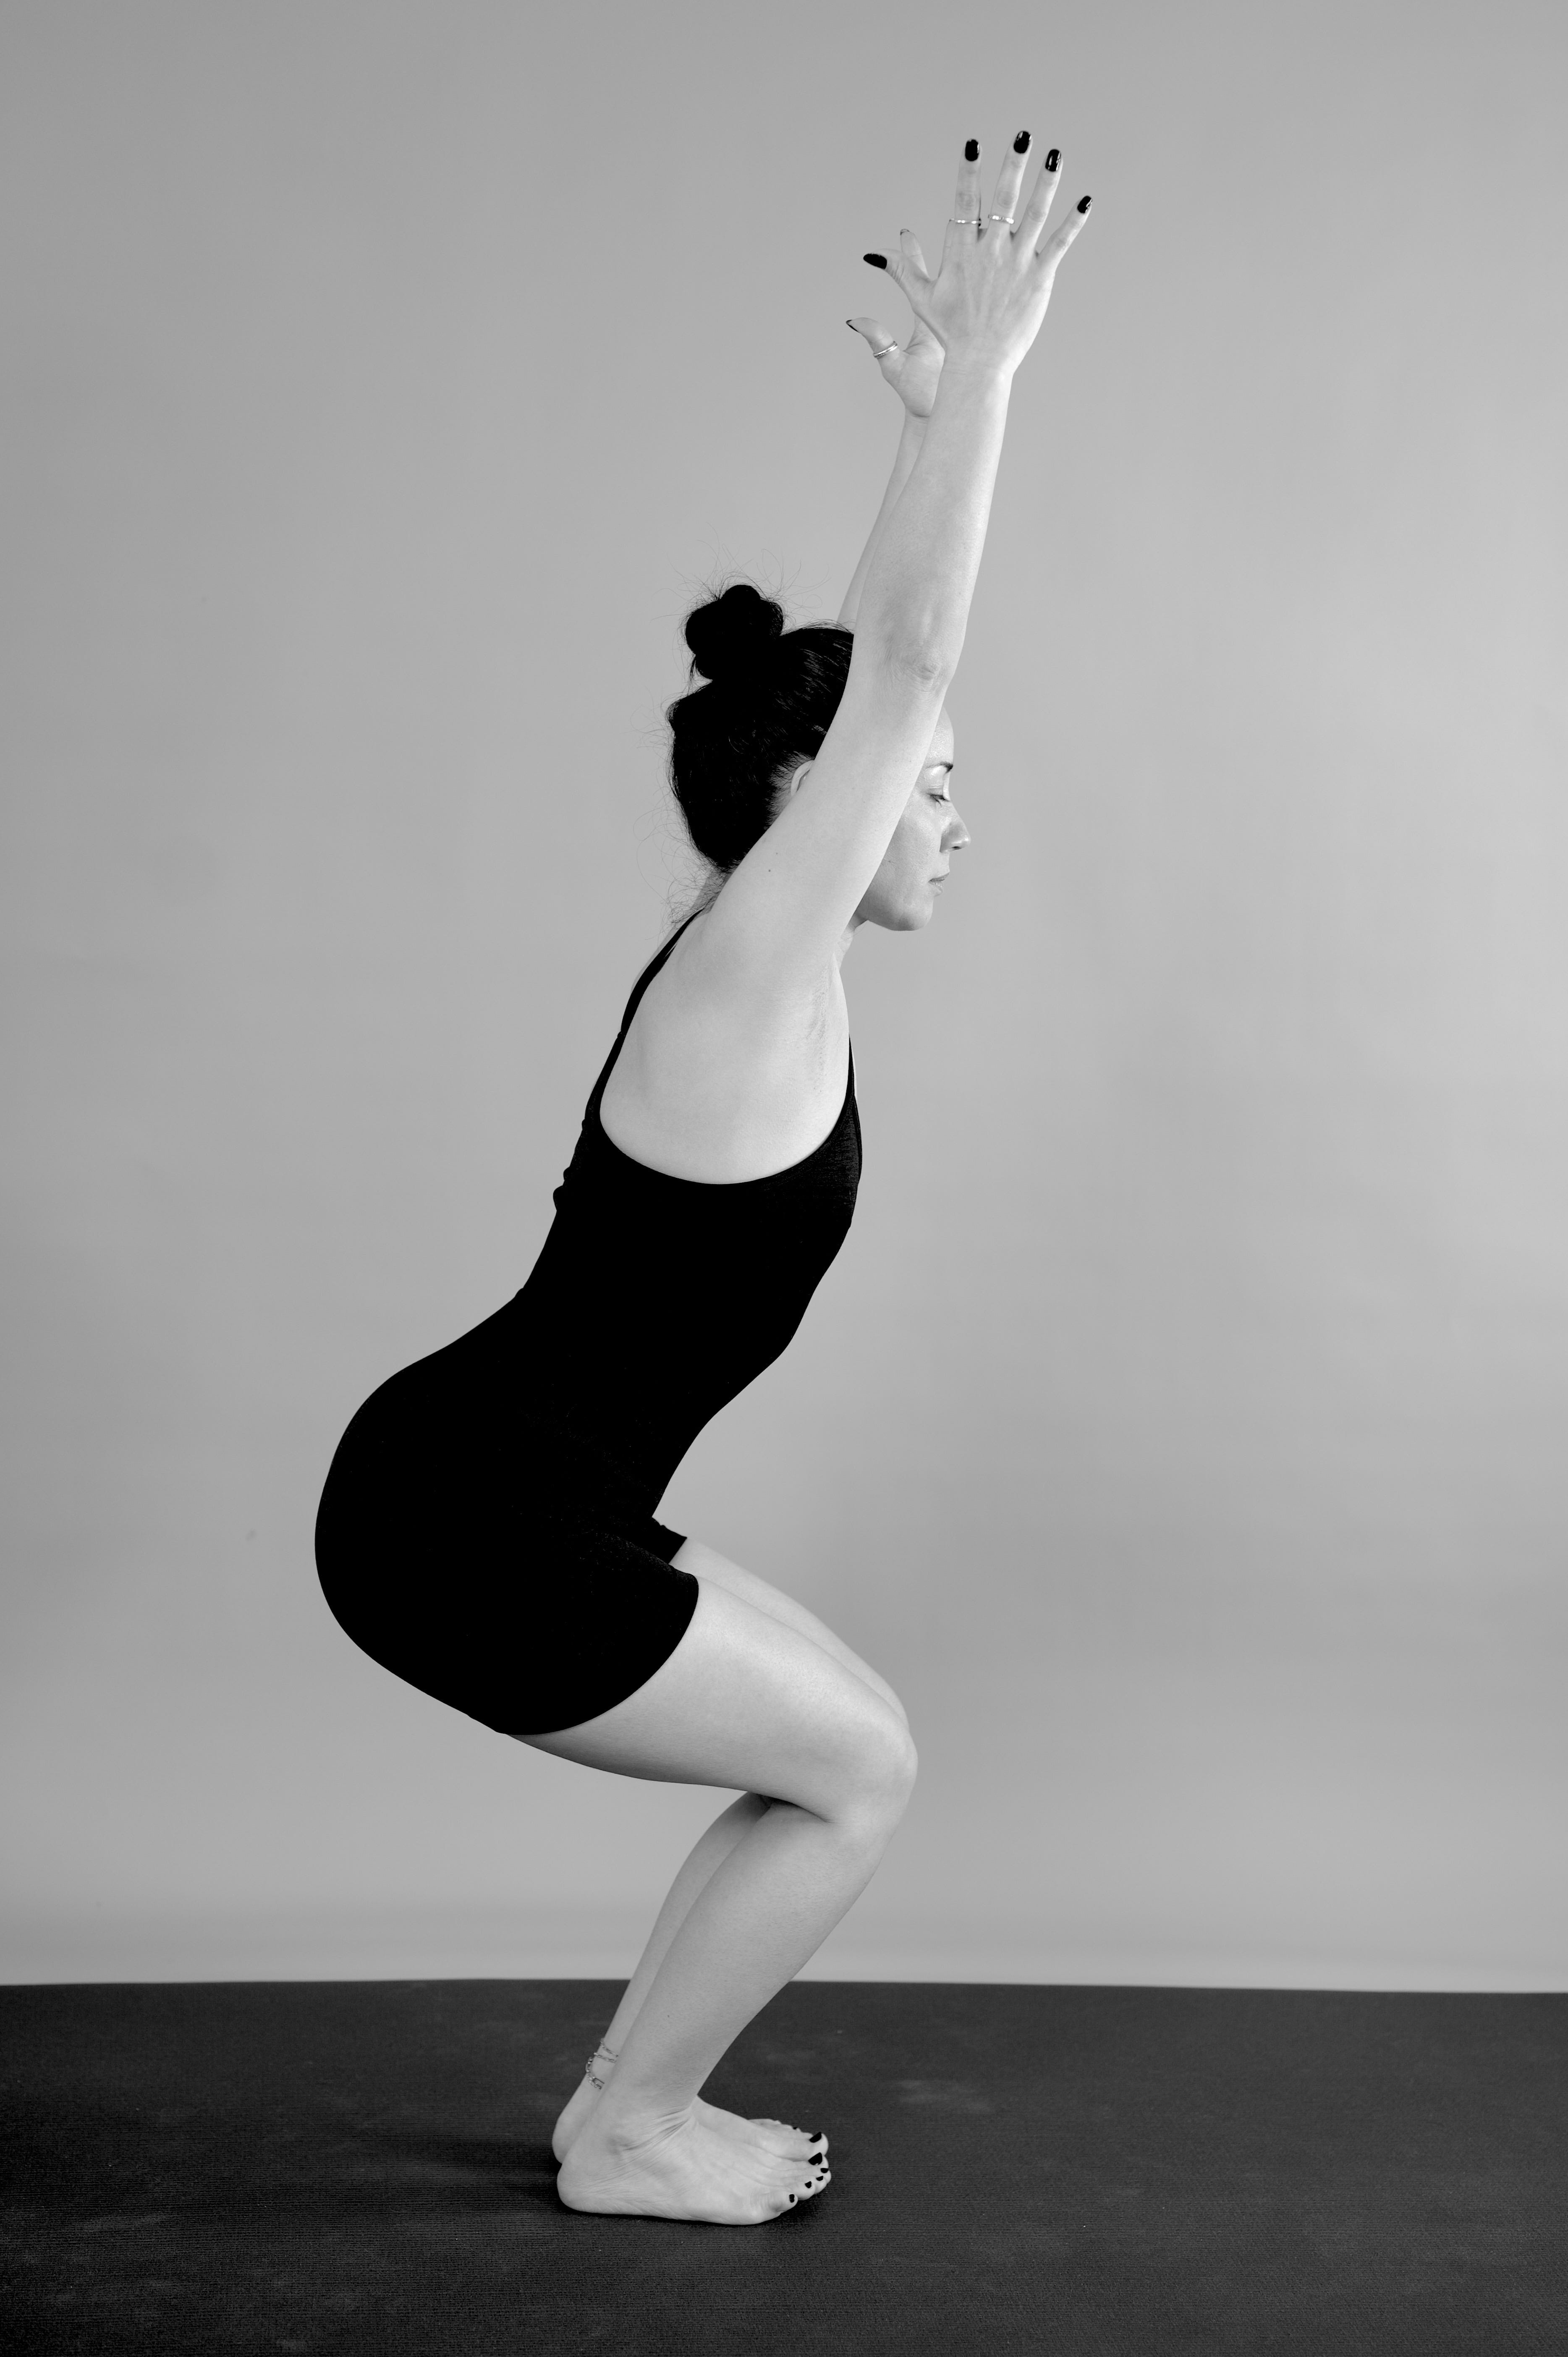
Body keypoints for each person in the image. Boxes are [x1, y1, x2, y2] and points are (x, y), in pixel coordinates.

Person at [314, 128, 1091, 2226]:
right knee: (862, 1772)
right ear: (816, 799)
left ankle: (622, 2112)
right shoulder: (748, 970)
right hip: (463, 1524)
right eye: (927, 790)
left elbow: (874, 682)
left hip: (506, 1491)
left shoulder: (767, 969)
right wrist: (987, 381)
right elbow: (897, 669)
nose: (954, 816)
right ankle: (636, 2132)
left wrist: (918, 429)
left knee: (847, 1743)